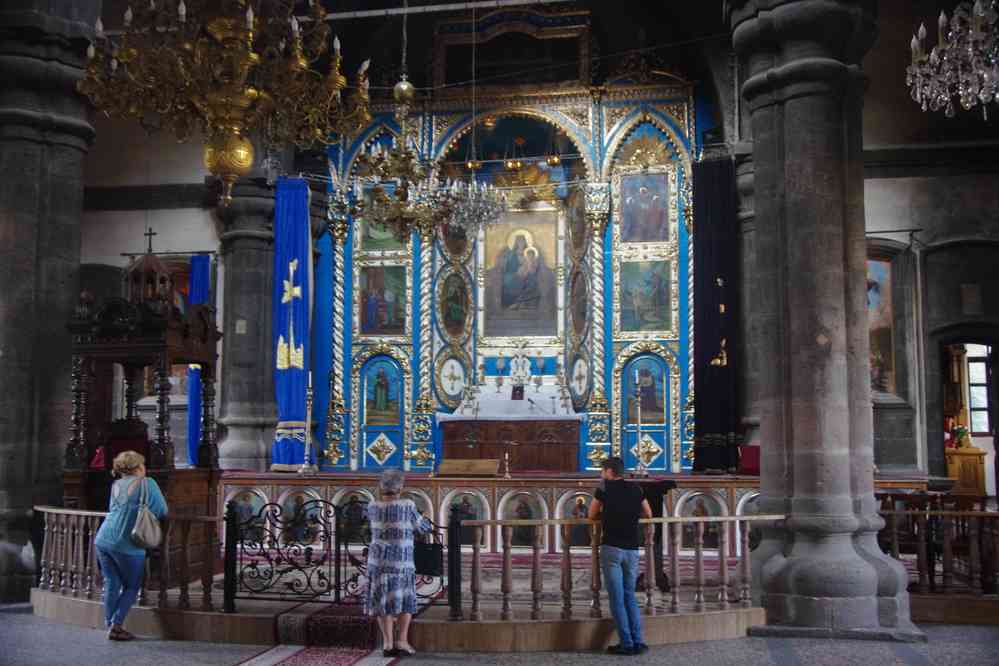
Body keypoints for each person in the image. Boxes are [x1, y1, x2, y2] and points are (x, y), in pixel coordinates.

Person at [93, 450, 168, 641]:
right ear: (138, 467)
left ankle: (110, 624)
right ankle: (116, 625)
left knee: (112, 582)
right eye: (143, 464)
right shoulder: (147, 483)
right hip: (128, 543)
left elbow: (113, 509)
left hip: (103, 539)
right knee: (132, 586)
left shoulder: (116, 485)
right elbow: (162, 510)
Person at [589, 456, 652, 656]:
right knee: (629, 596)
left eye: (602, 471)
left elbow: (591, 514)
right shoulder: (636, 488)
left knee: (617, 599)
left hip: (612, 547)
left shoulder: (604, 488)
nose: (601, 474)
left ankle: (626, 643)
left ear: (609, 472)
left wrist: (608, 515)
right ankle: (638, 641)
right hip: (632, 548)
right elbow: (648, 513)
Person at [366, 469, 432, 657]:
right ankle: (402, 641)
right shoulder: (407, 505)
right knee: (405, 600)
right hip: (400, 561)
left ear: (381, 486)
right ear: (401, 487)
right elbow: (423, 528)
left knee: (383, 601)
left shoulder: (372, 506)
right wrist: (425, 516)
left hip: (377, 561)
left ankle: (387, 644)